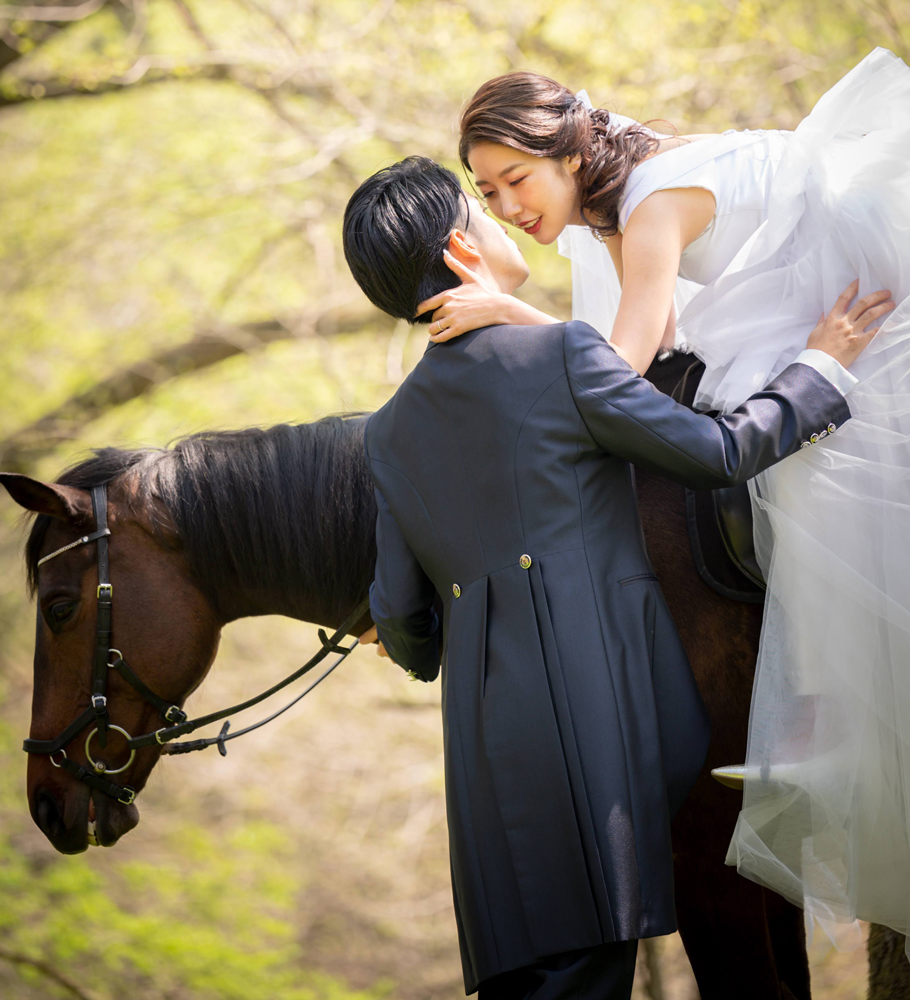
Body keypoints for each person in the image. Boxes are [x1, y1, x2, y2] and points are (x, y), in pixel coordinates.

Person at [341, 155, 883, 997]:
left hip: (486, 789)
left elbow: (408, 633)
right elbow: (717, 452)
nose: (502, 216)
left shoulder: (388, 435)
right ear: (460, 250)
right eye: (482, 208)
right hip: (604, 756)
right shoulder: (558, 358)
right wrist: (817, 369)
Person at [423, 48, 910, 949]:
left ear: (568, 153)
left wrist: (499, 312)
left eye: (514, 179)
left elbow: (620, 367)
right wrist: (515, 315)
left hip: (846, 297)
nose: (507, 208)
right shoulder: (612, 204)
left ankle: (829, 723)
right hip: (779, 300)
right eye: (487, 196)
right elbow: (628, 355)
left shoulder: (646, 204)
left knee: (795, 477)